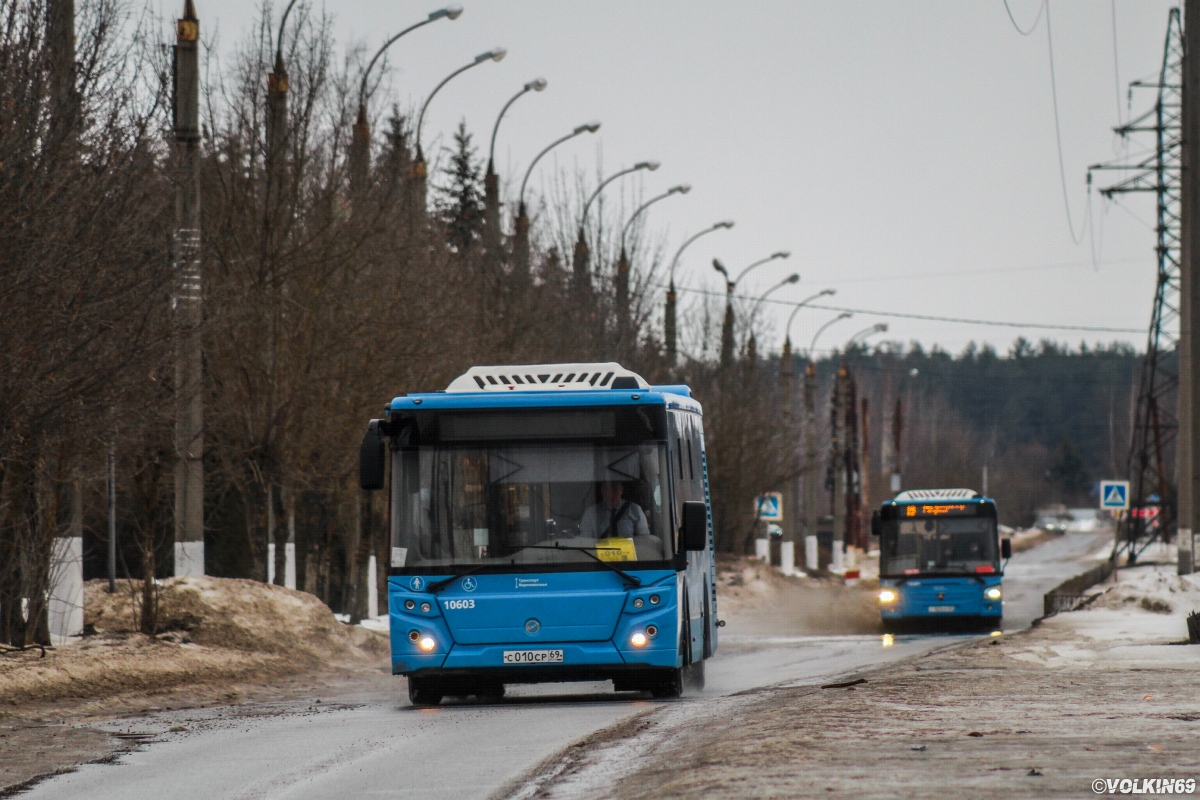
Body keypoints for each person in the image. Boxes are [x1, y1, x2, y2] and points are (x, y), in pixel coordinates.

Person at [579, 481, 649, 539]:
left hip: (629, 553)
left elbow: (643, 538)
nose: (611, 494)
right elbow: (585, 539)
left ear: (621, 491)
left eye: (615, 490)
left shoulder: (635, 509)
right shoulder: (591, 513)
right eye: (608, 490)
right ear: (602, 491)